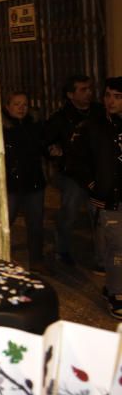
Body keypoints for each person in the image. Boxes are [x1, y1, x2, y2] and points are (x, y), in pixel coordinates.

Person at [69, 77, 122, 319]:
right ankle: (116, 294)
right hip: (107, 198)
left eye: (117, 97)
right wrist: (95, 186)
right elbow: (76, 161)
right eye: (108, 95)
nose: (110, 101)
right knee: (118, 249)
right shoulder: (94, 126)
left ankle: (112, 287)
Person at [46, 75, 103, 266]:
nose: (88, 93)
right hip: (71, 174)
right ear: (70, 94)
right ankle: (62, 250)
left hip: (96, 172)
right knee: (69, 211)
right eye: (83, 89)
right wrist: (55, 152)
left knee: (100, 214)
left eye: (89, 88)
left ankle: (101, 258)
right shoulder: (61, 118)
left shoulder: (99, 111)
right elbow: (44, 141)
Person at [3, 91, 47, 270]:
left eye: (25, 105)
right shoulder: (2, 128)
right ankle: (2, 258)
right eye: (17, 104)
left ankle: (36, 260)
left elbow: (42, 146)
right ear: (8, 106)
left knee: (36, 222)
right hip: (10, 183)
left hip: (33, 181)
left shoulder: (34, 126)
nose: (21, 108)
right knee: (6, 222)